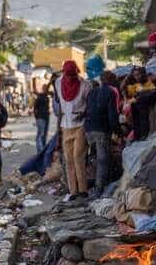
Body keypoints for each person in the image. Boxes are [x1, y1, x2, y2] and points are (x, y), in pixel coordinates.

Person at [56, 60, 93, 200]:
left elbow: (90, 106)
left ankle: (83, 190)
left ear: (76, 73)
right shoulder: (58, 83)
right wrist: (58, 130)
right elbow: (60, 105)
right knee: (68, 159)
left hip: (80, 125)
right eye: (68, 75)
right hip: (65, 125)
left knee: (78, 156)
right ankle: (73, 191)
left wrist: (83, 113)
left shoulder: (85, 85)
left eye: (73, 75)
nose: (71, 77)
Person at [85, 71, 121, 198]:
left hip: (88, 129)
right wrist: (118, 132)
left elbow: (87, 110)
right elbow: (113, 115)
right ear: (112, 80)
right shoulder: (111, 92)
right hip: (101, 130)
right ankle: (99, 189)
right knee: (102, 160)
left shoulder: (92, 92)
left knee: (93, 158)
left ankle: (88, 185)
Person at [33, 76, 52, 155]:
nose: (46, 89)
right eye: (45, 88)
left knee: (43, 134)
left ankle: (42, 150)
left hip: (45, 117)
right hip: (41, 118)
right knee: (41, 135)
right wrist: (37, 117)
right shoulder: (40, 96)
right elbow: (35, 108)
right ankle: (40, 151)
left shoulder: (46, 97)